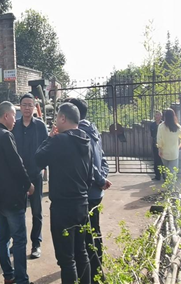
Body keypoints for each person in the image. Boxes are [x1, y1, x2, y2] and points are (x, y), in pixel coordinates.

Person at [35, 103, 93, 284]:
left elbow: (38, 159)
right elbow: (90, 176)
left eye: (56, 118)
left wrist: (49, 138)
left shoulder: (59, 141)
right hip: (82, 204)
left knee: (67, 260)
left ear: (62, 119)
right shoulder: (86, 140)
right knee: (81, 252)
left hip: (63, 207)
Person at [0, 101, 35, 284]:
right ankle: (22, 279)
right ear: (6, 116)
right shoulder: (6, 136)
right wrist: (28, 185)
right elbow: (17, 165)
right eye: (14, 115)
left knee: (3, 239)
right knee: (20, 240)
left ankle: (8, 275)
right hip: (12, 199)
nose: (16, 120)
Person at [64, 98, 112, 283]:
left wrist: (99, 180)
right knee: (95, 229)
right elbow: (102, 157)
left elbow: (88, 163)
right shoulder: (93, 129)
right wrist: (103, 178)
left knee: (87, 235)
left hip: (87, 192)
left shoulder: (79, 133)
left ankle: (94, 273)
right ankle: (98, 267)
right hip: (96, 191)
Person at [12, 93, 49, 259]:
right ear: (20, 107)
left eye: (30, 105)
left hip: (35, 173)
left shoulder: (40, 126)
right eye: (24, 104)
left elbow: (47, 146)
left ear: (34, 107)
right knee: (18, 210)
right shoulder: (14, 126)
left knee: (36, 211)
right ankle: (18, 242)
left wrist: (42, 167)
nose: (27, 108)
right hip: (18, 175)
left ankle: (36, 244)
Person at [156, 108, 181, 178]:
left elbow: (159, 139)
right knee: (173, 172)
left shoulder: (161, 126)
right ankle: (171, 188)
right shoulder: (177, 127)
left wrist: (160, 149)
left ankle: (168, 187)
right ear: (173, 116)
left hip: (164, 152)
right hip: (174, 153)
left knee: (166, 171)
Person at [150, 111, 163, 181]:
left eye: (158, 115)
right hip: (155, 144)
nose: (156, 116)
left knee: (163, 160)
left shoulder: (163, 124)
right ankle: (157, 176)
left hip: (163, 144)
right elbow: (152, 135)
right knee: (156, 160)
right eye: (156, 115)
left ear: (161, 116)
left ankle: (165, 176)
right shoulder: (152, 125)